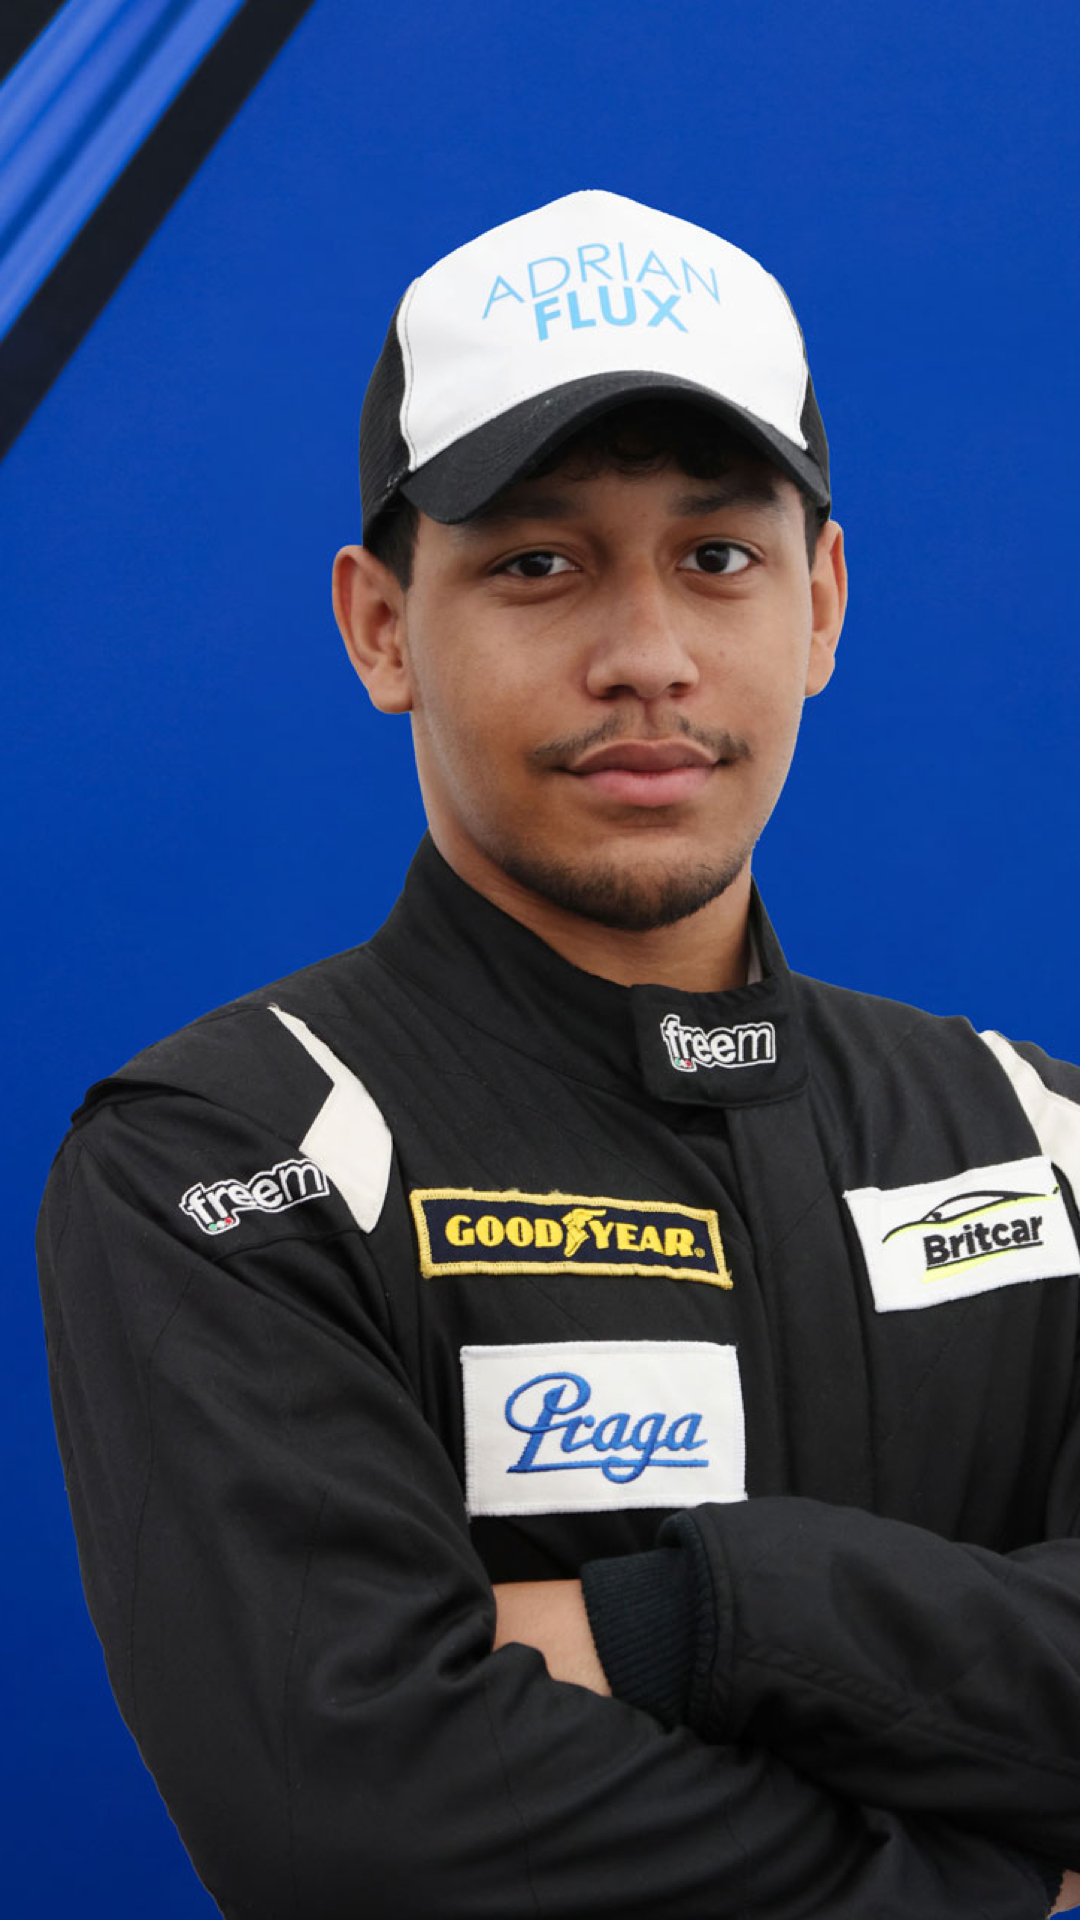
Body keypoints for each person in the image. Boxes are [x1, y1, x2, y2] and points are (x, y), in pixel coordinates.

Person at [36, 189, 1080, 1919]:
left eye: (717, 558)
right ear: (384, 628)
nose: (647, 657)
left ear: (819, 605)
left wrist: (686, 1621)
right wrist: (1000, 1885)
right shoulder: (216, 1163)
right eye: (536, 562)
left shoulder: (1040, 1139)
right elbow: (355, 1826)